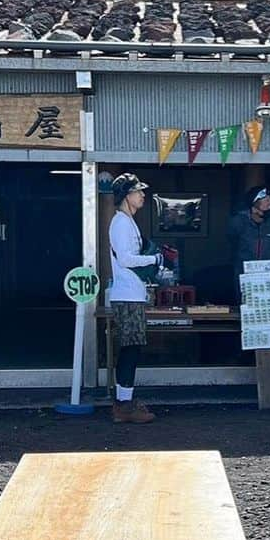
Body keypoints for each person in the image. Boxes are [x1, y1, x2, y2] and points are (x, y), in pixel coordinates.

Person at [107, 173, 161, 425]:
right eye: (138, 191)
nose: (142, 195)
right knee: (130, 348)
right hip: (127, 295)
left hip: (133, 293)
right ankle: (123, 405)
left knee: (132, 347)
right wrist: (154, 259)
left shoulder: (128, 222)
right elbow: (126, 259)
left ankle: (124, 401)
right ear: (126, 196)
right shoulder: (120, 223)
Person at [227, 186, 270, 288]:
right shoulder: (238, 221)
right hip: (244, 271)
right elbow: (232, 241)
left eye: (269, 198)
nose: (269, 201)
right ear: (253, 203)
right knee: (244, 300)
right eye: (264, 199)